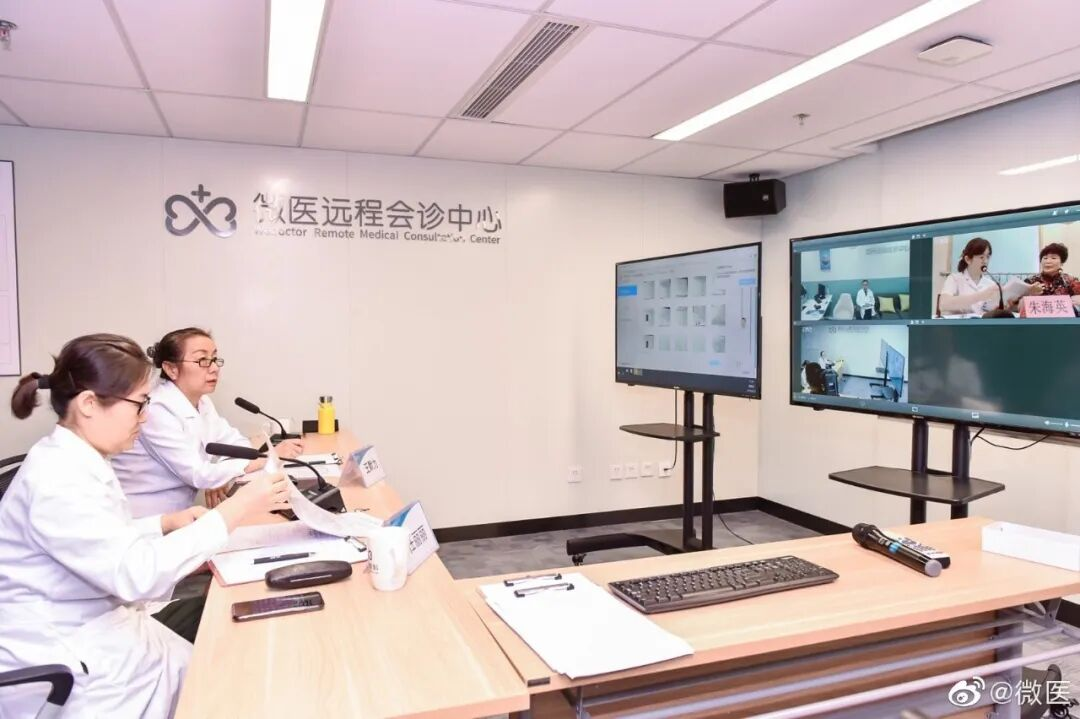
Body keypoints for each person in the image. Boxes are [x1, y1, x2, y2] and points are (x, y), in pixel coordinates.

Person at [0, 334, 291, 718]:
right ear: (89, 404)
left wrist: (163, 523)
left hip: (105, 628)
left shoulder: (77, 458)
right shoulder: (57, 479)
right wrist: (236, 508)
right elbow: (136, 574)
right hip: (75, 661)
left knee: (229, 637)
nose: (146, 417)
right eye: (139, 404)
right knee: (223, 675)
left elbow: (102, 540)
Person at [112, 327, 302, 518]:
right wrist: (266, 457)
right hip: (145, 520)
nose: (214, 368)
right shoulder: (156, 409)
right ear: (171, 369)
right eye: (202, 360)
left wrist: (221, 475)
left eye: (214, 359)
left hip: (179, 516)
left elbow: (236, 445)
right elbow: (199, 475)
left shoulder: (202, 402)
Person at [937, 237, 1000, 317]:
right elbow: (943, 305)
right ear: (968, 259)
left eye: (988, 257)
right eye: (981, 257)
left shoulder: (991, 284)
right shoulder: (954, 279)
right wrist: (981, 296)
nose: (986, 261)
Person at [1021, 242, 1080, 311]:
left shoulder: (1071, 281)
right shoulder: (1030, 281)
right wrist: (1030, 295)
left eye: (1053, 258)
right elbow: (1017, 307)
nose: (1048, 261)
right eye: (1045, 258)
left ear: (1062, 263)